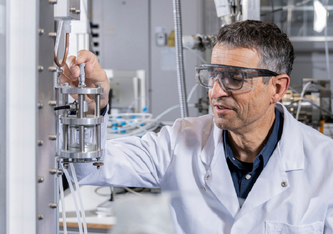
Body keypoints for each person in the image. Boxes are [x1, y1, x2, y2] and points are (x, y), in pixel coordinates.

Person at [61, 20, 333, 233]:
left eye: (235, 79)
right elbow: (88, 167)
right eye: (214, 75)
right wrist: (90, 106)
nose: (215, 91)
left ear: (277, 87)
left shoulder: (326, 165)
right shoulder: (180, 141)